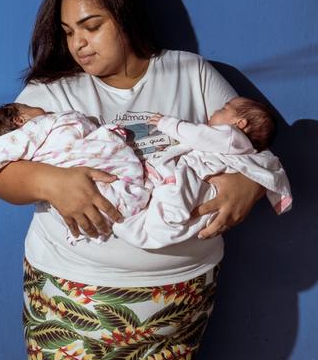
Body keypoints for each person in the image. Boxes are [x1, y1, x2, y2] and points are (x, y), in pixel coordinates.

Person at [0, 0, 290, 360]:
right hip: (74, 298)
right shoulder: (52, 91)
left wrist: (249, 185)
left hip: (177, 299)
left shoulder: (190, 73)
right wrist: (50, 182)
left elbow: (248, 138)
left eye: (91, 27)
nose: (78, 44)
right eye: (68, 32)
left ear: (125, 16)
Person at [113, 97, 292, 248]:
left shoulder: (230, 135)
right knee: (164, 216)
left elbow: (197, 135)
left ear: (240, 124)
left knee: (171, 206)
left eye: (223, 109)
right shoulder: (245, 149)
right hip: (197, 185)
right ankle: (145, 225)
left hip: (192, 178)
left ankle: (158, 222)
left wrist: (166, 123)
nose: (213, 111)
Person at [0, 102, 150, 243]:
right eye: (29, 107)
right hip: (67, 271)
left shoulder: (12, 145)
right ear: (20, 119)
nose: (45, 111)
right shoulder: (42, 116)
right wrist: (54, 182)